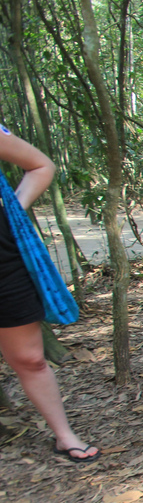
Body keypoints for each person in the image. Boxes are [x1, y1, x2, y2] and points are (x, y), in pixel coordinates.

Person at [0, 125, 98, 463]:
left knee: (29, 357)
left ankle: (64, 435)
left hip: (4, 260)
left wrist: (10, 211)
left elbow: (41, 165)